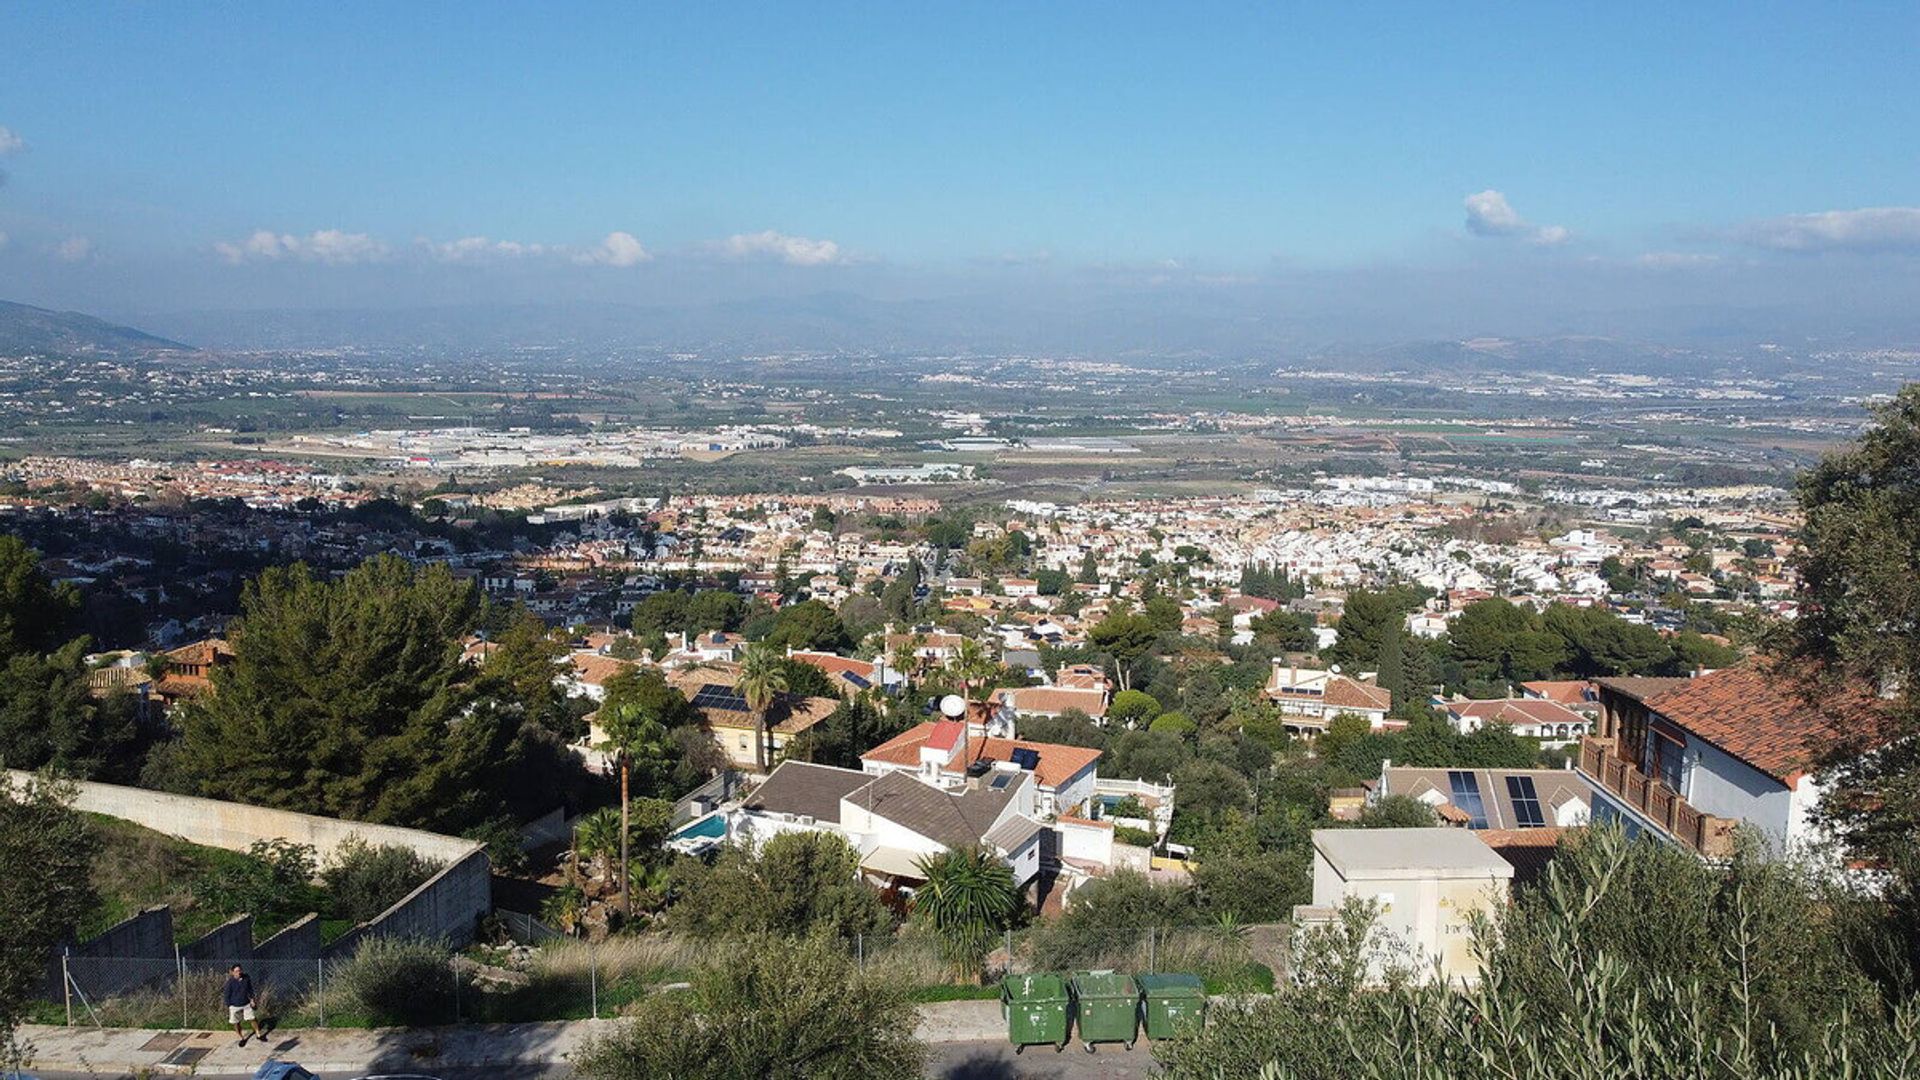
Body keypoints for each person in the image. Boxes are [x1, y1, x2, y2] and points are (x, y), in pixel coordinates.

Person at [224, 963, 264, 1046]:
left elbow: (250, 990)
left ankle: (258, 1034)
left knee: (252, 1018)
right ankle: (241, 1038)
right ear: (232, 972)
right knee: (236, 1022)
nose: (238, 972)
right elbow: (226, 995)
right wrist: (229, 1006)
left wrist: (252, 1000)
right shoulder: (230, 983)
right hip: (234, 1005)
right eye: (236, 971)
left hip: (246, 1003)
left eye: (239, 970)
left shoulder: (246, 978)